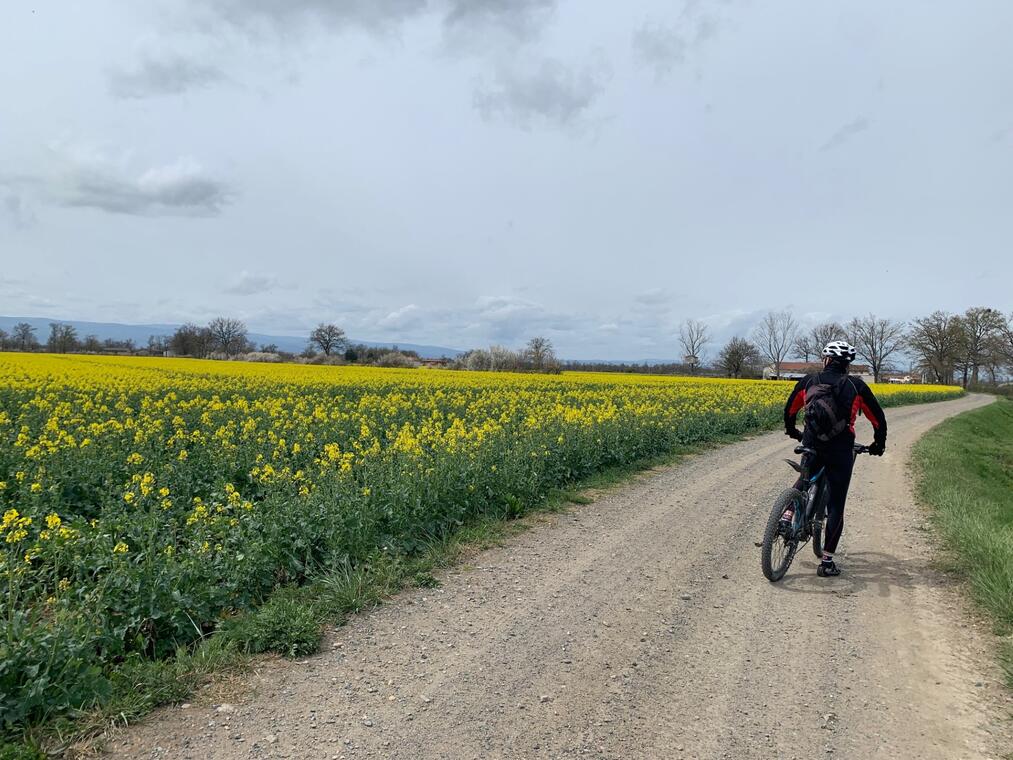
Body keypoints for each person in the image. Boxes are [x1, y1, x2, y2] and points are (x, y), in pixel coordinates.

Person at [782, 340, 887, 577]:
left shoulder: (809, 381)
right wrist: (878, 445)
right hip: (840, 449)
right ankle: (827, 562)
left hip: (811, 442)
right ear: (847, 364)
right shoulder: (856, 386)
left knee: (804, 478)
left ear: (826, 360)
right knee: (836, 504)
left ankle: (787, 516)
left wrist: (793, 432)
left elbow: (790, 410)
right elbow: (878, 420)